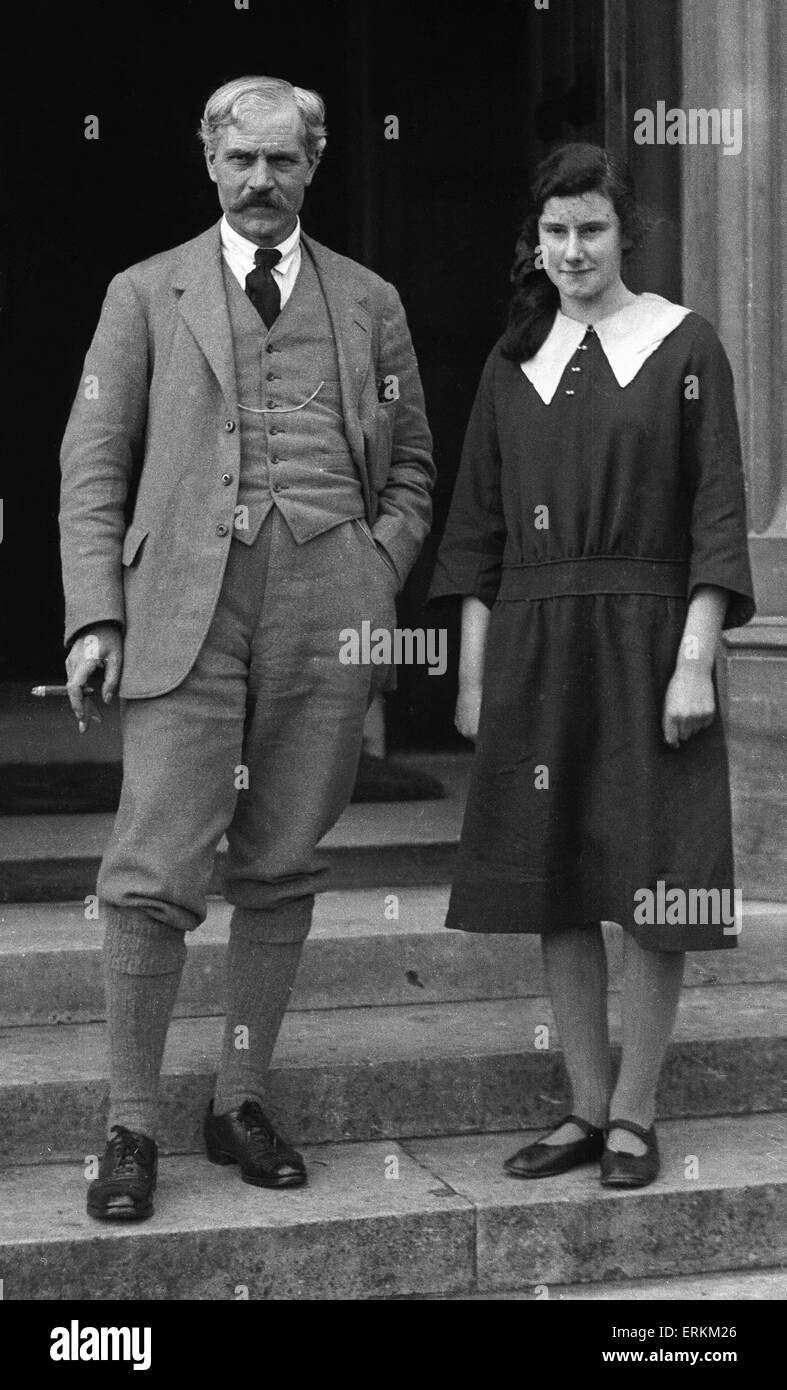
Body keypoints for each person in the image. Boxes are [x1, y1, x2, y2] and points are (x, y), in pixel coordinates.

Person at [60, 75, 434, 1220]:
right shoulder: (144, 293)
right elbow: (93, 461)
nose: (261, 182)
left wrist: (374, 567)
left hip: (327, 602)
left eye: (282, 160)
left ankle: (239, 1094)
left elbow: (413, 465)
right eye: (241, 162)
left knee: (280, 861)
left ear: (314, 164)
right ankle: (130, 1123)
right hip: (184, 607)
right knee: (152, 867)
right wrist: (94, 614)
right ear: (209, 164)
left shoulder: (370, 301)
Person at [429, 143, 754, 1188]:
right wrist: (476, 678)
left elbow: (715, 513)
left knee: (656, 880)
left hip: (650, 637)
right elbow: (475, 529)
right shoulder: (510, 358)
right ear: (537, 242)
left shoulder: (683, 343)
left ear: (625, 234)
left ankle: (634, 1113)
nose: (571, 250)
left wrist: (694, 659)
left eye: (591, 230)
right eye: (555, 233)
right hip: (534, 641)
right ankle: (579, 1104)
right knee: (558, 876)